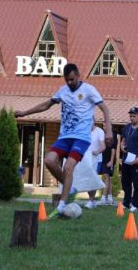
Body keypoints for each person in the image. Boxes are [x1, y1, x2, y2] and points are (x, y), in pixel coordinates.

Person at [14, 63, 113, 215]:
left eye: (72, 79)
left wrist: (109, 132)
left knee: (68, 167)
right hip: (65, 136)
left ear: (78, 75)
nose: (69, 83)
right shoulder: (63, 91)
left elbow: (105, 108)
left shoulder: (88, 90)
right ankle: (70, 186)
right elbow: (46, 105)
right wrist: (25, 113)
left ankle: (61, 204)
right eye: (66, 80)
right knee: (49, 161)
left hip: (81, 138)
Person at [120, 107, 138, 212]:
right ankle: (126, 202)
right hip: (126, 159)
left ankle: (135, 204)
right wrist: (122, 147)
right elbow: (122, 141)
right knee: (125, 182)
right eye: (130, 116)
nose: (132, 118)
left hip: (136, 161)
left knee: (136, 183)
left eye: (134, 116)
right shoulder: (127, 127)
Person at [85, 122, 106, 209]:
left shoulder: (99, 131)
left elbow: (103, 146)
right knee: (87, 180)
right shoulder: (84, 131)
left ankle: (90, 200)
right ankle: (92, 200)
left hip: (96, 159)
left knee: (92, 179)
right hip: (86, 159)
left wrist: (97, 151)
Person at [97, 125, 116, 206]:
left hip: (109, 160)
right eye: (103, 126)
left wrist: (111, 161)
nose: (105, 127)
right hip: (102, 159)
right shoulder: (101, 134)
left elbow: (113, 149)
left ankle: (103, 198)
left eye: (106, 125)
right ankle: (110, 198)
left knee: (106, 177)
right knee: (108, 178)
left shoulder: (113, 135)